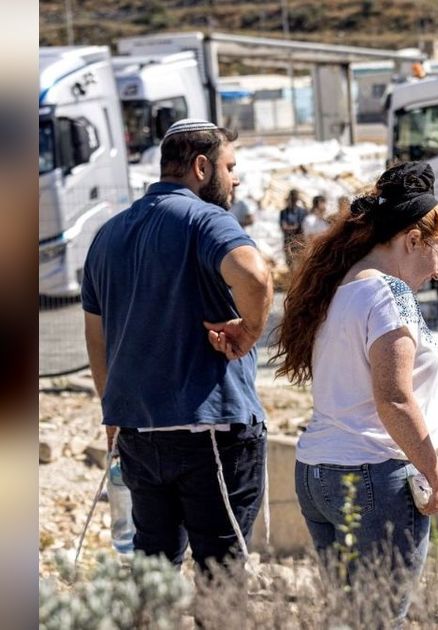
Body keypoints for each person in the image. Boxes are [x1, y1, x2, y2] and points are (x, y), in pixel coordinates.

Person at [81, 119, 273, 577]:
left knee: (154, 578)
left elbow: (96, 339)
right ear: (202, 167)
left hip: (138, 436)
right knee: (222, 580)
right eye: (231, 166)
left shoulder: (108, 235)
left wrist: (115, 419)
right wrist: (250, 329)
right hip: (211, 431)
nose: (237, 178)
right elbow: (255, 276)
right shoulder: (206, 220)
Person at [271, 161, 438, 621]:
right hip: (372, 476)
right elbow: (394, 398)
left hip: (317, 472)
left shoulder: (339, 286)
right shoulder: (389, 294)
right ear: (413, 239)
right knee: (380, 619)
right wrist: (434, 472)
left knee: (348, 617)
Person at [279, 188, 306, 269]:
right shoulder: (284, 212)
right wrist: (293, 227)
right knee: (290, 265)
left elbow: (300, 227)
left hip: (298, 242)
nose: (293, 200)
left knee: (299, 266)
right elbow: (283, 227)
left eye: (295, 198)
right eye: (292, 198)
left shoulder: (301, 211)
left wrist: (289, 227)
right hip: (288, 242)